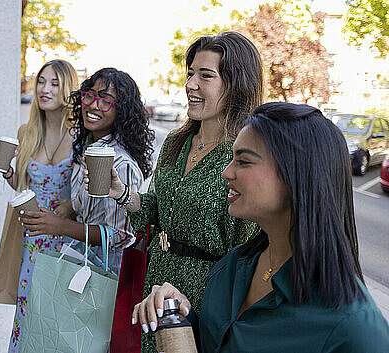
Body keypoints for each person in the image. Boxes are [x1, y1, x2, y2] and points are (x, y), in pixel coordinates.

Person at [133, 102, 389, 352]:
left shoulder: (355, 327)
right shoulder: (233, 266)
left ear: (296, 174)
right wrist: (180, 315)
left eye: (243, 161)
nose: (226, 172)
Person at [87, 32, 263, 351]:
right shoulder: (177, 142)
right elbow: (158, 210)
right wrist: (121, 191)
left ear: (236, 85)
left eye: (205, 76)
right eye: (190, 73)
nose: (191, 84)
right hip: (155, 286)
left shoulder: (244, 155)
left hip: (205, 296)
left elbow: (249, 247)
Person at [21, 67, 155, 276]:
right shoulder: (87, 147)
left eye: (105, 100)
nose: (93, 105)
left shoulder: (119, 162)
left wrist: (61, 226)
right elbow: (92, 205)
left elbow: (121, 235)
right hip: (80, 263)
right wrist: (71, 206)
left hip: (103, 277)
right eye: (89, 96)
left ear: (122, 110)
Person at [0, 59, 79, 353]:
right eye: (41, 81)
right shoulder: (25, 132)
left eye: (54, 83)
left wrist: (70, 206)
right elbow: (22, 187)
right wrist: (7, 173)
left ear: (68, 88)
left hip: (70, 241)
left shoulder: (80, 136)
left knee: (59, 317)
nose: (45, 89)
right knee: (29, 314)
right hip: (34, 240)